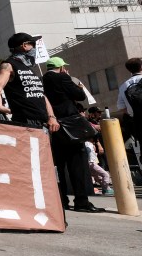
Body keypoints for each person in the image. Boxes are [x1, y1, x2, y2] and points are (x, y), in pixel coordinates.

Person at [42, 56, 103, 213]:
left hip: (53, 125)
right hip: (71, 125)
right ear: (62, 68)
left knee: (58, 165)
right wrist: (74, 82)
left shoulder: (42, 80)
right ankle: (81, 201)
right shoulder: (63, 77)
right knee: (78, 163)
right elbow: (79, 96)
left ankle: (61, 200)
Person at [117, 57, 142, 148]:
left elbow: (121, 107)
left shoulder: (123, 86)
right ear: (141, 67)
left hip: (138, 121)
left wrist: (134, 112)